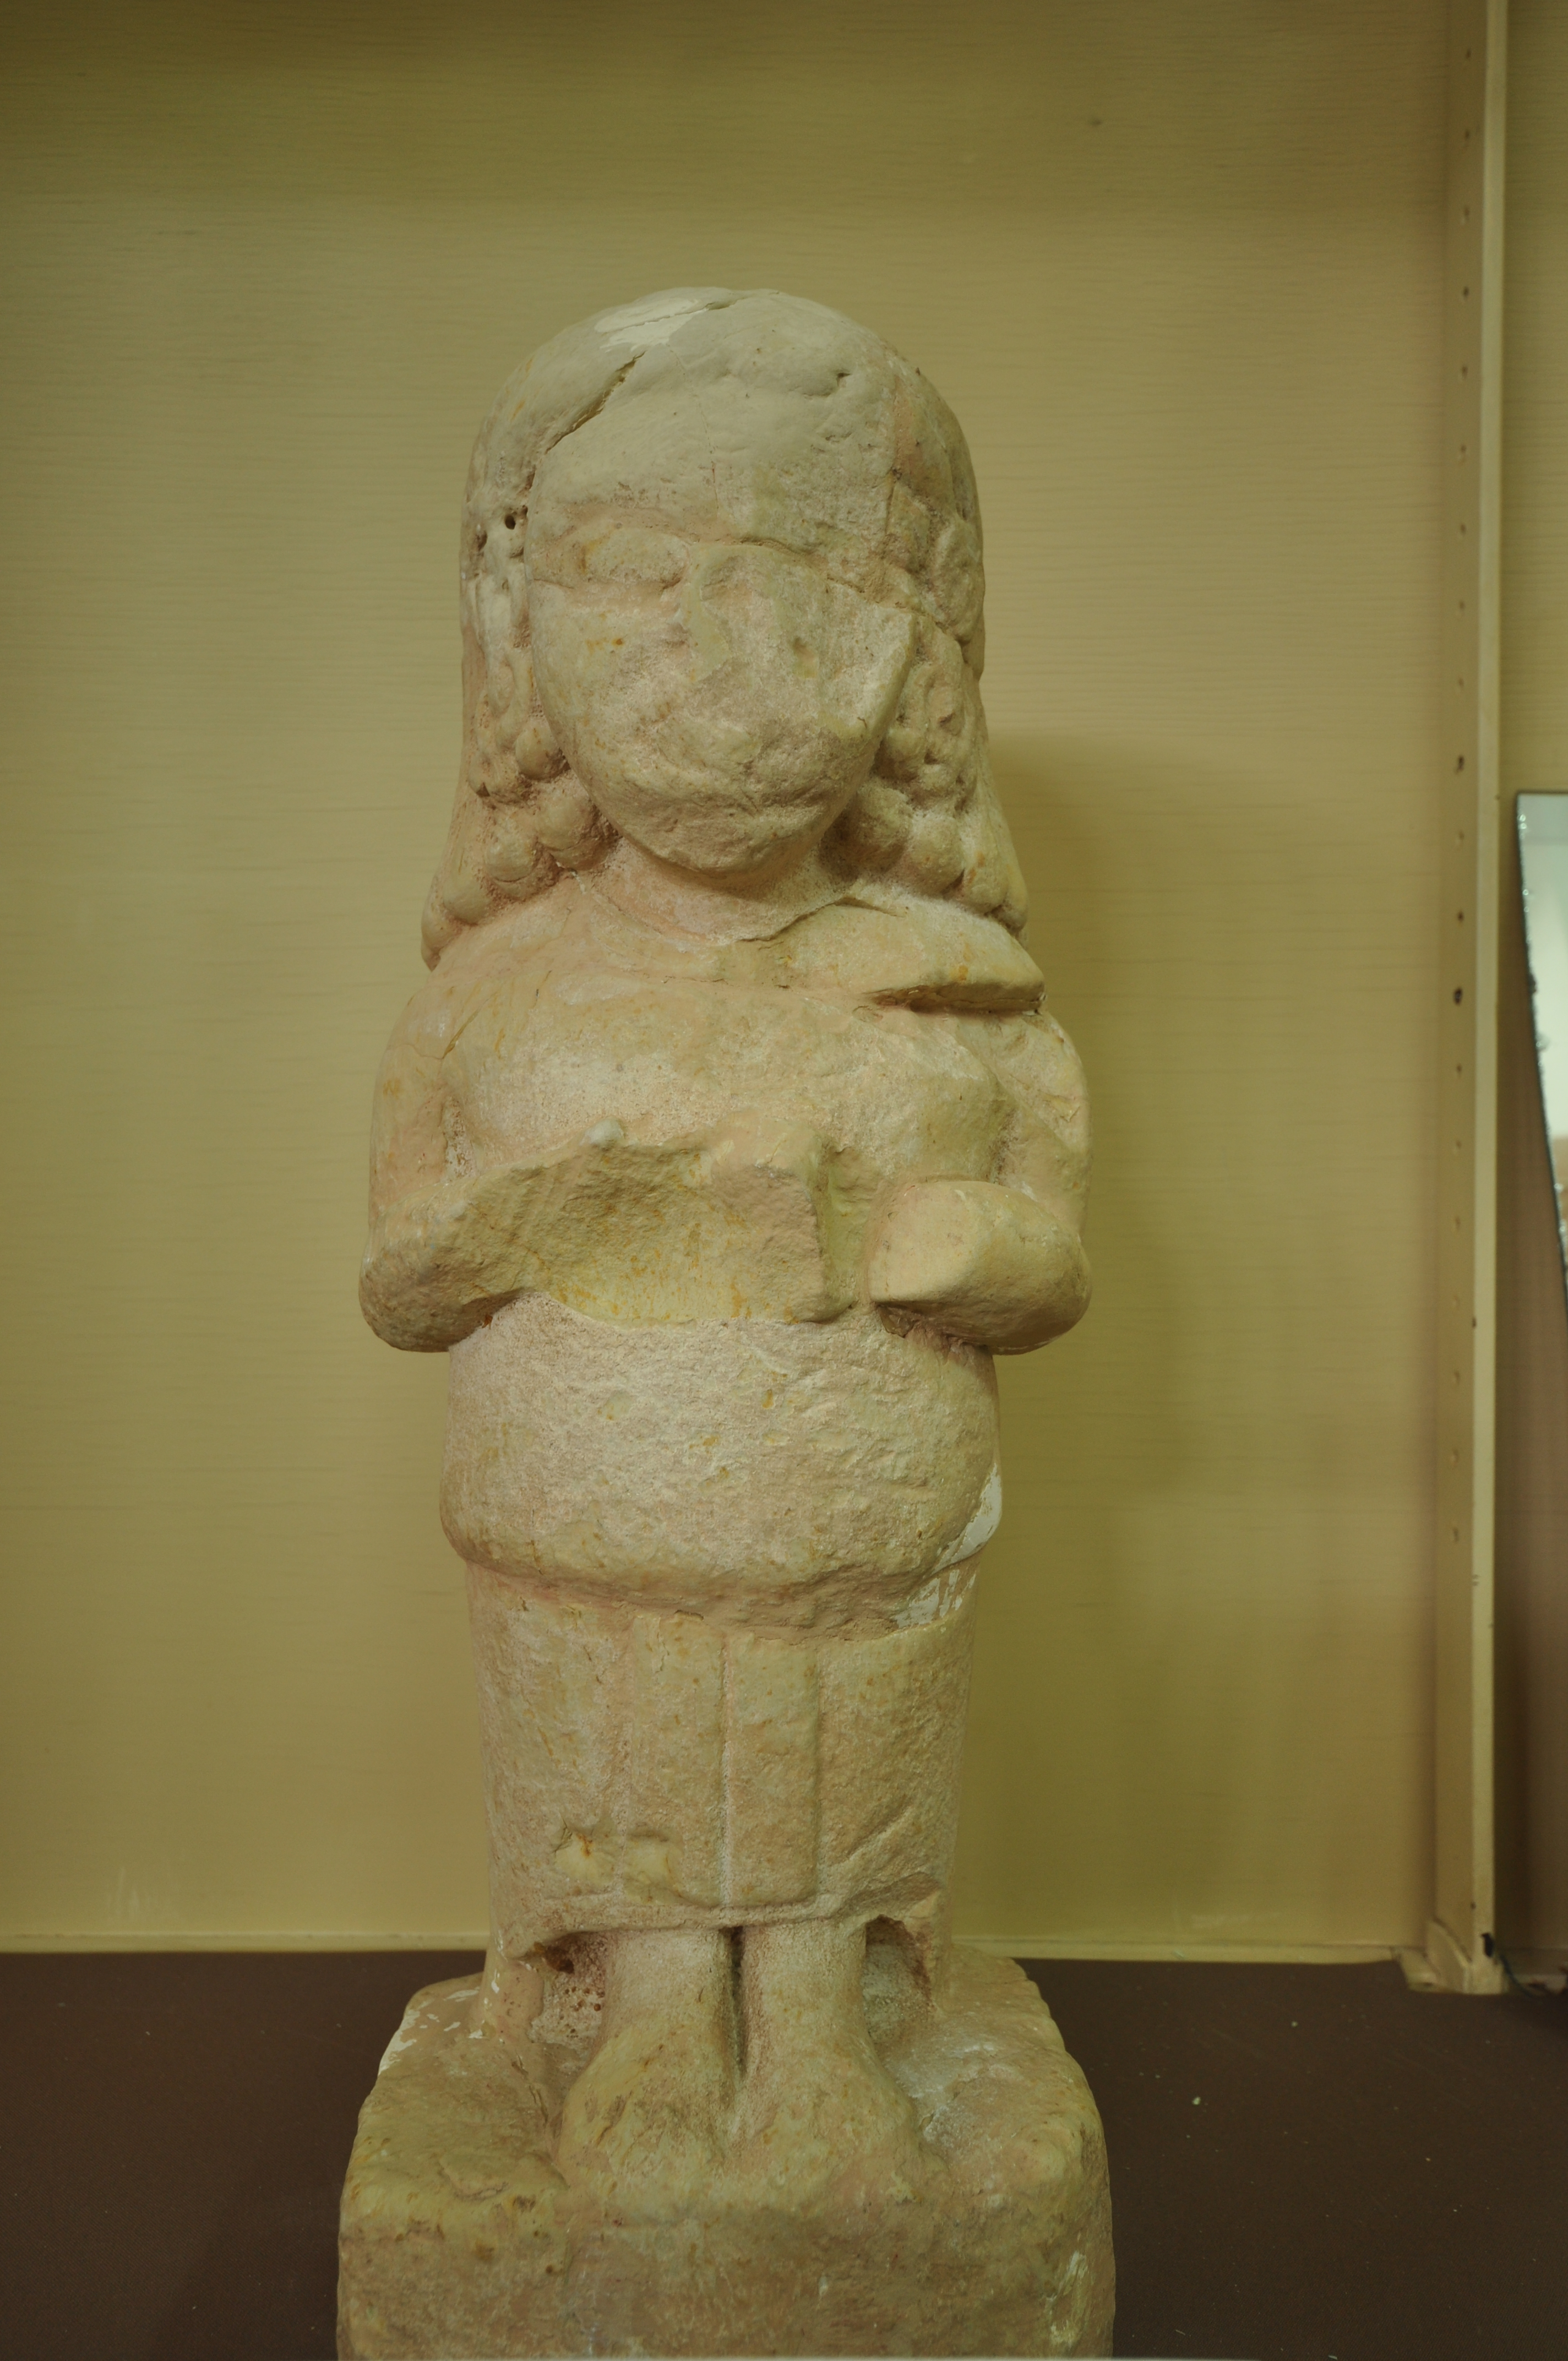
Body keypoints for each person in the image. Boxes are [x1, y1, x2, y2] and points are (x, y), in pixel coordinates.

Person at [361, 288, 1091, 2209]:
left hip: (865, 1520)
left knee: (848, 1740)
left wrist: (929, 1236)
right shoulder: (494, 990)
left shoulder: (957, 987)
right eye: (638, 579)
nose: (730, 666)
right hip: (580, 1521)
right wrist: (529, 1222)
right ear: (522, 644)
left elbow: (1048, 1260)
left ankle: (831, 2025)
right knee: (623, 1745)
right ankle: (655, 2016)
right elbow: (401, 1277)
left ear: (921, 653)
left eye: (811, 583)